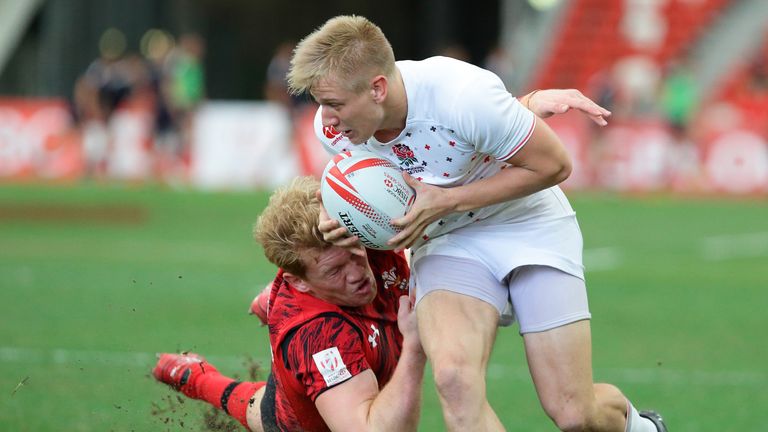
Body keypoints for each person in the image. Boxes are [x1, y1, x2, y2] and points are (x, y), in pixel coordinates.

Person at [288, 15, 667, 432]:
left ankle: (640, 427)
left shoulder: (461, 93)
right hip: (451, 239)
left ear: (377, 88)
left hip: (529, 222)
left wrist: (446, 201)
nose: (328, 119)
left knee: (574, 414)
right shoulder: (333, 128)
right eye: (321, 103)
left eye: (336, 104)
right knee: (454, 381)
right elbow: (373, 186)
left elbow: (555, 165)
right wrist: (342, 217)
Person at [153, 176, 425, 432]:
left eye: (355, 253)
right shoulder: (317, 333)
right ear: (299, 283)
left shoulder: (363, 230)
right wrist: (414, 345)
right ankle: (195, 377)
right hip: (301, 421)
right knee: (262, 411)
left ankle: (272, 298)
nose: (357, 274)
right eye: (335, 271)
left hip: (339, 318)